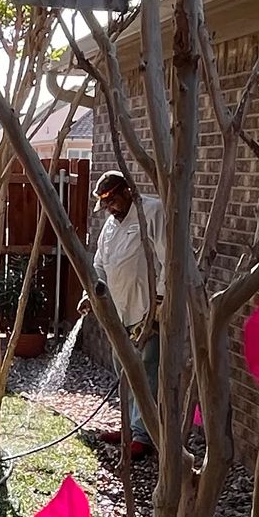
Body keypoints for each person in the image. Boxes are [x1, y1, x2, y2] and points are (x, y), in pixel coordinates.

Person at [86, 167, 163, 456]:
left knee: (146, 371)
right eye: (104, 204)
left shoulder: (152, 213)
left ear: (127, 191)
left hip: (147, 311)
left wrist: (160, 304)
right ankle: (128, 426)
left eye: (112, 201)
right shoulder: (110, 225)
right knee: (124, 371)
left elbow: (169, 260)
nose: (109, 209)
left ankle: (144, 435)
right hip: (119, 312)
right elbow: (99, 265)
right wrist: (91, 294)